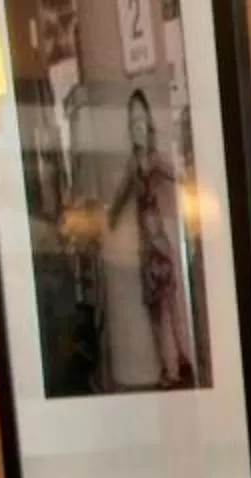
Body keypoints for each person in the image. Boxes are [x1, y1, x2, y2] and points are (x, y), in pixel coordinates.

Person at [106, 90, 196, 389]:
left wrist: (194, 186)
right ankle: (171, 367)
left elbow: (177, 175)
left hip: (161, 247)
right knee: (158, 314)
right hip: (147, 251)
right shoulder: (134, 165)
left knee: (171, 309)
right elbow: (120, 196)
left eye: (141, 120)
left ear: (148, 125)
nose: (137, 127)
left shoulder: (155, 160)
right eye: (133, 122)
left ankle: (180, 363)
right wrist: (109, 217)